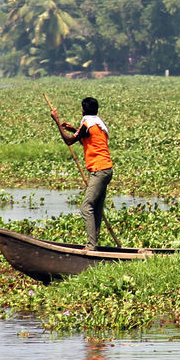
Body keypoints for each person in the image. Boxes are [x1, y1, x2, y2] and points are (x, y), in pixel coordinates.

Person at [51, 96, 113, 250]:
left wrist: (57, 122)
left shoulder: (87, 124)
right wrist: (73, 130)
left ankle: (91, 247)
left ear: (83, 110)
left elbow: (69, 141)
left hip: (99, 170)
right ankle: (94, 245)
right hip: (106, 170)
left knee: (86, 207)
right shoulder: (97, 124)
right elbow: (86, 139)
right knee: (96, 208)